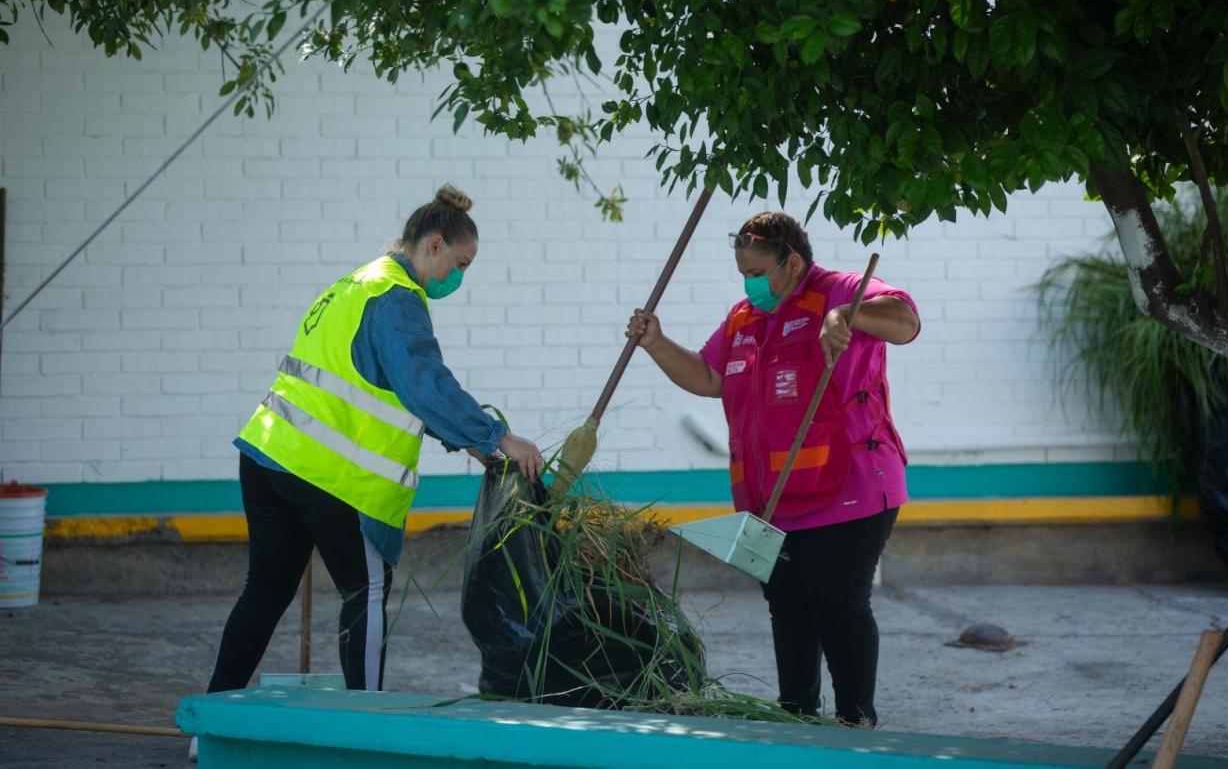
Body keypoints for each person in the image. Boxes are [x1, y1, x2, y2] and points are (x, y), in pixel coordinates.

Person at [207, 185, 543, 696]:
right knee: (365, 593)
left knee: (264, 593)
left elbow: (389, 389)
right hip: (327, 475)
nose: (458, 277)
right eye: (460, 264)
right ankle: (364, 719)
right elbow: (423, 383)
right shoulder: (398, 298)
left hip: (269, 455)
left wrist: (476, 447)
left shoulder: (356, 284)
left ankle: (209, 718)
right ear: (434, 245)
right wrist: (499, 436)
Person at [626, 211, 919, 726]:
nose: (750, 284)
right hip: (774, 501)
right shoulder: (745, 319)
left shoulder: (837, 290)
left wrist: (845, 315)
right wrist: (656, 343)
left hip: (848, 487)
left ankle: (855, 725)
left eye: (758, 273)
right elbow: (709, 376)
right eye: (743, 273)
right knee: (788, 608)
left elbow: (905, 321)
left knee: (838, 605)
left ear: (793, 263)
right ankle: (797, 719)